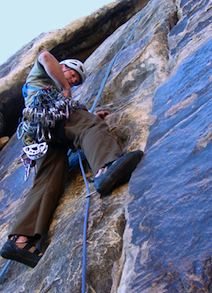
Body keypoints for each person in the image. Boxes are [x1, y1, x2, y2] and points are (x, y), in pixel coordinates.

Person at [0, 51, 143, 268]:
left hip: (40, 134)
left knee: (50, 179)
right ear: (62, 67)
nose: (74, 80)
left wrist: (90, 113)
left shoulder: (50, 92)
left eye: (76, 81)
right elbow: (46, 56)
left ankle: (20, 240)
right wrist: (67, 90)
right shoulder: (44, 75)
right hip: (49, 115)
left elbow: (69, 127)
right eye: (73, 74)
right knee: (89, 125)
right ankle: (106, 168)